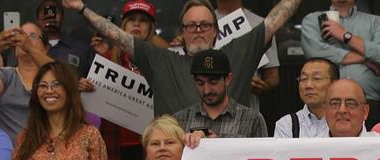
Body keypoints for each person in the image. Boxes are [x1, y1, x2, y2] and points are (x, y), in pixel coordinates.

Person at [62, 0, 303, 116]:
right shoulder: (160, 60)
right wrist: (82, 9)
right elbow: (116, 35)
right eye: (191, 25)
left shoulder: (237, 52)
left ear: (216, 31)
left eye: (205, 25)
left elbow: (275, 20)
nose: (198, 30)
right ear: (182, 31)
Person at [89, 0, 168, 160]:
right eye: (132, 19)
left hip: (151, 144)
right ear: (123, 26)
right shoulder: (107, 60)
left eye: (143, 20)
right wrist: (86, 88)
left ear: (151, 28)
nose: (137, 24)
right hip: (116, 147)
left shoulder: (162, 62)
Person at [301, 0, 380, 129]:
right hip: (324, 108)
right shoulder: (312, 20)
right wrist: (364, 58)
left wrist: (345, 36)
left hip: (367, 106)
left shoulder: (375, 22)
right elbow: (314, 52)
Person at [0, 22, 54, 142]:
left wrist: (30, 49)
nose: (24, 39)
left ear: (46, 48)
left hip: (45, 153)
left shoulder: (50, 77)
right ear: (14, 50)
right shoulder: (6, 75)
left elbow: (64, 80)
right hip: (8, 154)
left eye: (32, 36)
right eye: (21, 35)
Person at [171, 50, 267, 138]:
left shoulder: (252, 120)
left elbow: (262, 154)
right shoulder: (179, 120)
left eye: (213, 82)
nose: (207, 90)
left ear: (228, 79)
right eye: (200, 83)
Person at [216, 0, 281, 112]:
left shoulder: (262, 24)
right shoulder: (200, 23)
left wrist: (263, 86)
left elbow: (273, 77)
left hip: (246, 113)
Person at [274, 58, 339, 138]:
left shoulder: (345, 120)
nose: (308, 85)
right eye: (303, 79)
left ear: (335, 84)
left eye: (316, 78)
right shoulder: (287, 124)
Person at [36, 0, 90, 74]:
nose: (50, 15)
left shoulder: (81, 49)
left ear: (63, 18)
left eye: (55, 12)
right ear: (37, 20)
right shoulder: (28, 46)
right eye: (46, 11)